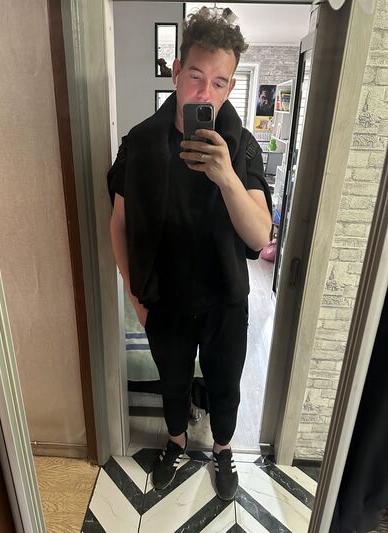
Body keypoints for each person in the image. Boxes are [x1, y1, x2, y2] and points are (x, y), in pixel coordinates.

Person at [108, 7, 272, 501]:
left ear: (231, 86)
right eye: (196, 76)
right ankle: (176, 442)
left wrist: (226, 176)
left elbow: (259, 235)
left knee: (226, 385)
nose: (205, 93)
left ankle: (223, 450)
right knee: (173, 382)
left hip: (225, 300)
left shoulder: (242, 147)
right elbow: (119, 223)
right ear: (176, 71)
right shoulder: (140, 142)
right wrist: (133, 294)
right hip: (166, 298)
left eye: (219, 83)